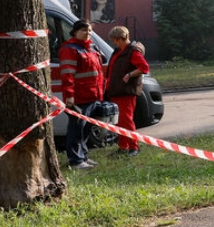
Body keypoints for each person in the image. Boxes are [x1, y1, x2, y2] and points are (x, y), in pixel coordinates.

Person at [59, 20, 105, 169]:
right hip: (79, 97)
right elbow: (67, 75)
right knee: (76, 128)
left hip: (92, 95)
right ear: (75, 32)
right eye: (84, 30)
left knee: (85, 129)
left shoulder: (91, 48)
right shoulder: (69, 49)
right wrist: (69, 95)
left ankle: (83, 156)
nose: (88, 33)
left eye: (90, 31)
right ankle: (75, 160)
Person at [105, 26, 150, 157]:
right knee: (120, 121)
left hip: (126, 92)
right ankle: (123, 146)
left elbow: (144, 67)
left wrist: (130, 74)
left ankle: (134, 147)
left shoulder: (133, 52)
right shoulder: (118, 51)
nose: (114, 43)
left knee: (126, 121)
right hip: (117, 90)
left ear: (122, 38)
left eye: (115, 40)